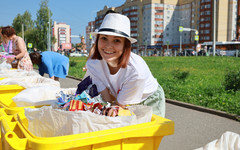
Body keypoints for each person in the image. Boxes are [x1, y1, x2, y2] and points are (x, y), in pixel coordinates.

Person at [85, 13, 165, 117]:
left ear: (125, 45)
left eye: (116, 40)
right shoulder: (93, 64)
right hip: (121, 96)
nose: (108, 46)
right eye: (104, 38)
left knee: (147, 131)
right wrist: (106, 106)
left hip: (148, 99)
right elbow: (106, 98)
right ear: (97, 40)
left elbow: (120, 104)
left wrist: (113, 107)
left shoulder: (135, 71)